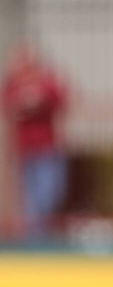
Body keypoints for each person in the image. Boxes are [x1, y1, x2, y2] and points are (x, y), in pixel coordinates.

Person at [1, 44, 69, 239]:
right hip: (24, 149)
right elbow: (7, 105)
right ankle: (36, 238)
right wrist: (24, 102)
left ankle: (42, 231)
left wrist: (38, 99)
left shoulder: (46, 80)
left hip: (48, 148)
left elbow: (61, 99)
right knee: (31, 198)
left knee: (51, 191)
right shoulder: (13, 83)